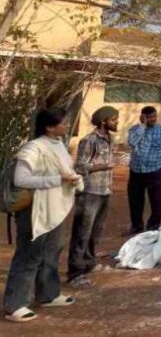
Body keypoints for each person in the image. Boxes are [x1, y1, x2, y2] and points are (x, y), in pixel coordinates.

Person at [4, 108, 82, 323]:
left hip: (55, 209)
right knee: (29, 256)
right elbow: (21, 180)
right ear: (49, 127)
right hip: (35, 210)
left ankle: (48, 294)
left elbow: (64, 172)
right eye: (63, 123)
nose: (67, 125)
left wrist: (72, 179)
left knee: (51, 252)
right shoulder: (34, 148)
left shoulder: (59, 146)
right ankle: (14, 304)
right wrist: (57, 180)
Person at [67, 106, 119, 287]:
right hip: (89, 192)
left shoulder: (109, 139)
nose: (117, 122)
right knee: (82, 232)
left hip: (104, 191)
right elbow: (80, 167)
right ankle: (75, 272)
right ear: (104, 122)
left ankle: (88, 263)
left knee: (95, 232)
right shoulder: (89, 140)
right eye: (113, 119)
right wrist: (104, 166)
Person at [127, 106, 161, 234]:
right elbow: (132, 142)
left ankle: (153, 227)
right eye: (148, 117)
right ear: (142, 117)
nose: (152, 119)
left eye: (154, 116)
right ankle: (136, 226)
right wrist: (142, 126)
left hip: (155, 170)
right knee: (135, 201)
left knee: (156, 201)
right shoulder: (135, 130)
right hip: (136, 171)